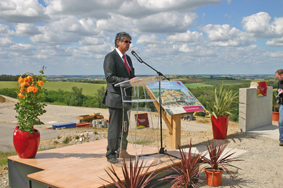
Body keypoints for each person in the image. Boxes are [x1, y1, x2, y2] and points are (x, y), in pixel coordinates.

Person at [102, 32, 135, 164]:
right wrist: (128, 80)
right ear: (118, 42)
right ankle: (111, 154)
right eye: (126, 41)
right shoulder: (110, 57)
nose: (128, 45)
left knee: (124, 127)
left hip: (126, 98)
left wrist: (134, 80)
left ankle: (122, 151)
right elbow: (110, 77)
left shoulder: (128, 59)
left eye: (129, 42)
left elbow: (131, 76)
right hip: (116, 99)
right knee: (115, 129)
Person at [275, 69, 283, 146]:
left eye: (278, 77)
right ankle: (282, 139)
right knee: (281, 122)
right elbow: (277, 91)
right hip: (282, 104)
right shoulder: (279, 82)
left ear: (282, 75)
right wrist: (279, 91)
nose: (277, 78)